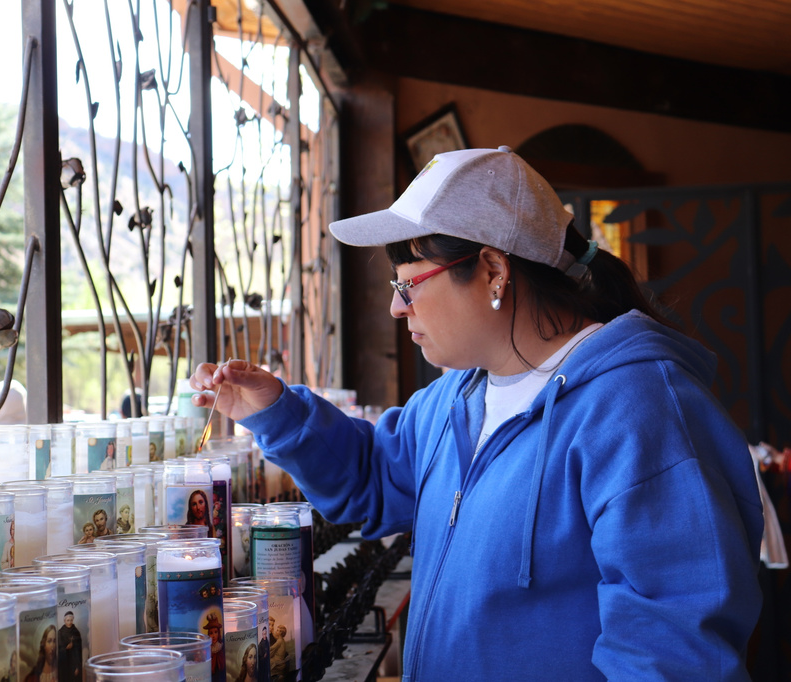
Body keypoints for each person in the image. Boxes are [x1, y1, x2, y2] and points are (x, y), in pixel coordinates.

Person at [190, 147, 764, 681]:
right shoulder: (458, 396)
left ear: (493, 270)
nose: (396, 306)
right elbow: (373, 476)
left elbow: (672, 648)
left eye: (409, 283)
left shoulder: (638, 410)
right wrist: (277, 412)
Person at [57, 612, 82, 682]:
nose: (70, 622)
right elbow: (58, 648)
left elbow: (79, 650)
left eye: (71, 620)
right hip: (64, 662)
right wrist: (66, 648)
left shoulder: (76, 632)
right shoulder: (60, 633)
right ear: (64, 621)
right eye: (68, 620)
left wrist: (77, 665)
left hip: (74, 661)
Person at [203, 611, 224, 677]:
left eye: (216, 632)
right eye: (211, 633)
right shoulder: (208, 649)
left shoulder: (221, 646)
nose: (214, 636)